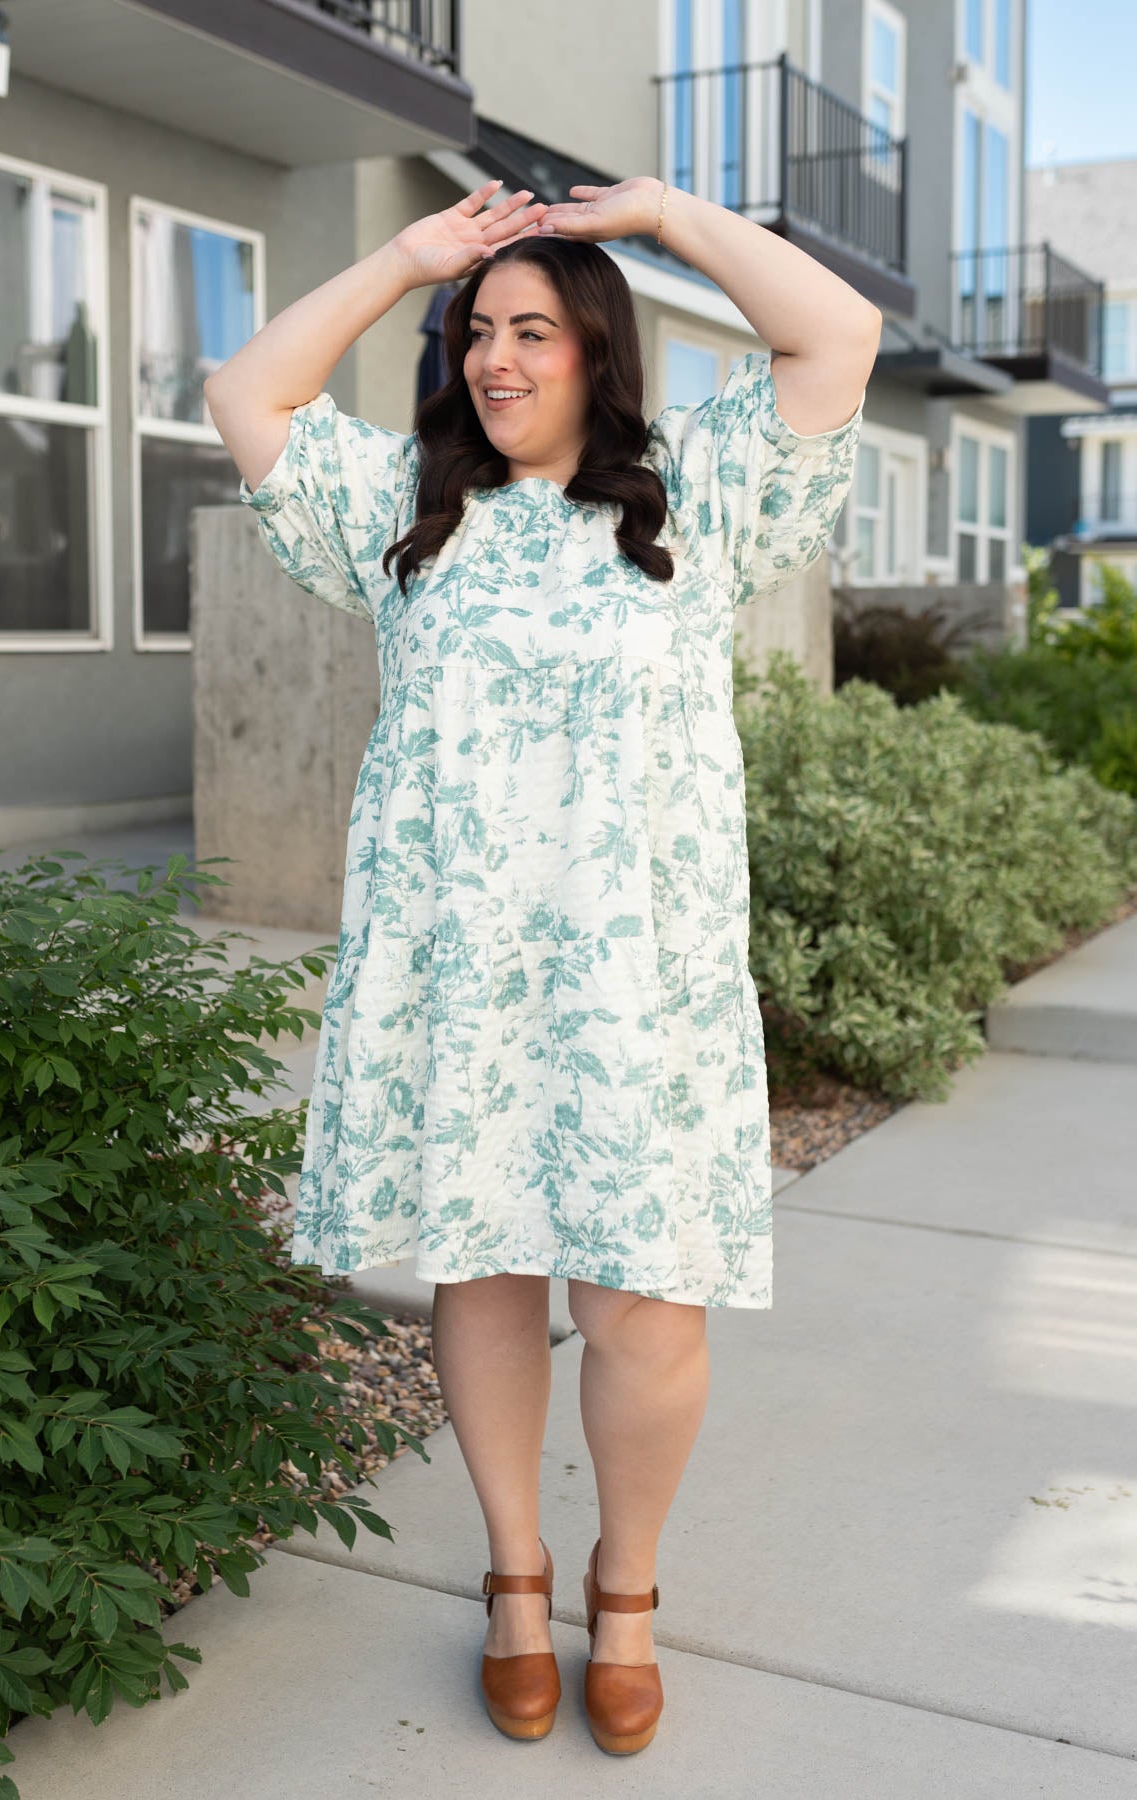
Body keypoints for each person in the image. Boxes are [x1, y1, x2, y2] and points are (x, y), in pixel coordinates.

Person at [204, 175, 879, 1756]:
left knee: (647, 1305)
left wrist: (662, 216)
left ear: (596, 350)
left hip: (639, 985)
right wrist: (409, 256)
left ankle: (622, 1584)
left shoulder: (700, 494)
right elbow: (246, 390)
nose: (493, 359)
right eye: (472, 335)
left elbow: (836, 330)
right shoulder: (402, 513)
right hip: (459, 984)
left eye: (529, 330)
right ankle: (515, 1576)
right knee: (485, 1273)